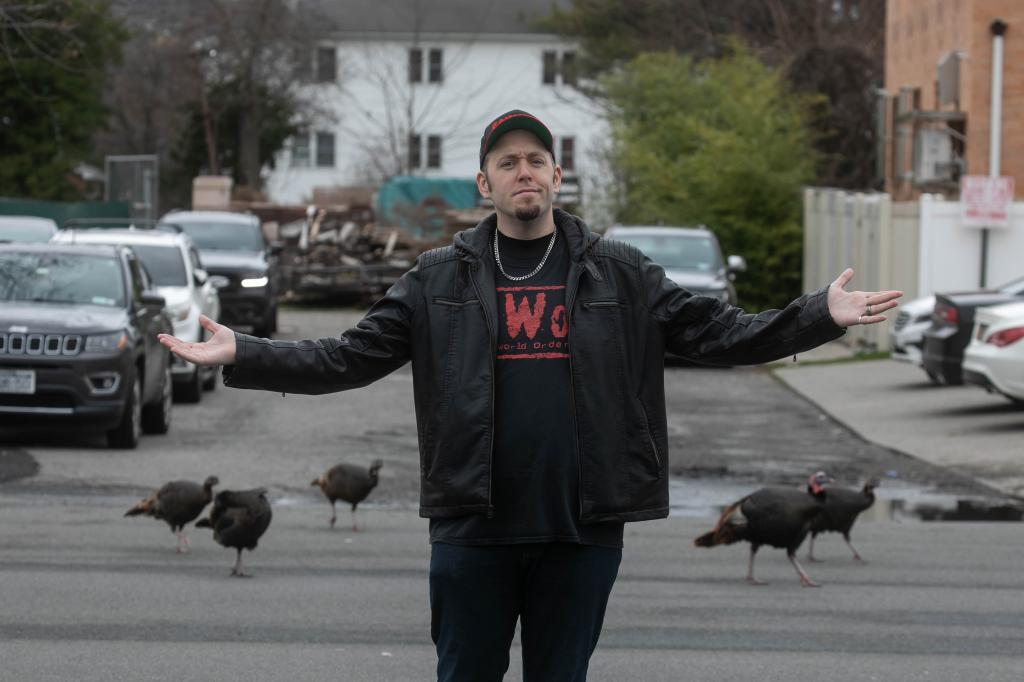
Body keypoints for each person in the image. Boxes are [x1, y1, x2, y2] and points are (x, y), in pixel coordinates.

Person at [159, 109, 902, 681]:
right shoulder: (437, 279)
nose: (524, 172)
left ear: (556, 177)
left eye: (537, 160)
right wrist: (246, 351)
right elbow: (348, 357)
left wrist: (817, 316)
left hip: (579, 532)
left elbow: (722, 333)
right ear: (484, 184)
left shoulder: (622, 275)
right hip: (472, 529)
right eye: (507, 162)